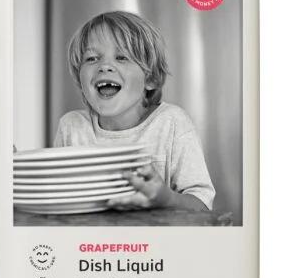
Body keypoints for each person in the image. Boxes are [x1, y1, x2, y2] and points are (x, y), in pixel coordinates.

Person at [54, 11, 214, 211]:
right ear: (80, 79)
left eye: (121, 57)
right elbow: (55, 195)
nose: (104, 66)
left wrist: (167, 200)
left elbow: (202, 206)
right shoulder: (71, 126)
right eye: (92, 58)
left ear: (150, 79)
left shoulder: (172, 123)